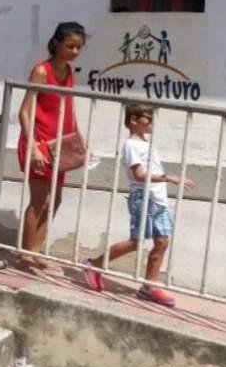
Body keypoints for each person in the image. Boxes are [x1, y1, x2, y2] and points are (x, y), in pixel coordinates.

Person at [81, 103, 189, 307]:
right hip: (144, 197)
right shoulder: (130, 145)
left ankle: (149, 287)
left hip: (158, 198)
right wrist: (169, 178)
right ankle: (93, 265)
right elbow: (139, 175)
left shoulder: (148, 145)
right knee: (136, 242)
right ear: (133, 120)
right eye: (147, 118)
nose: (151, 122)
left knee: (162, 242)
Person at [17, 21, 86, 270]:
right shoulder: (41, 71)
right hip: (39, 142)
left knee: (55, 199)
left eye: (79, 47)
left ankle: (35, 250)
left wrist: (77, 135)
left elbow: (69, 106)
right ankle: (26, 254)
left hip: (60, 145)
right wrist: (33, 145)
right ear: (57, 43)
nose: (74, 52)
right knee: (39, 199)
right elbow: (24, 111)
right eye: (70, 46)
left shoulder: (69, 71)